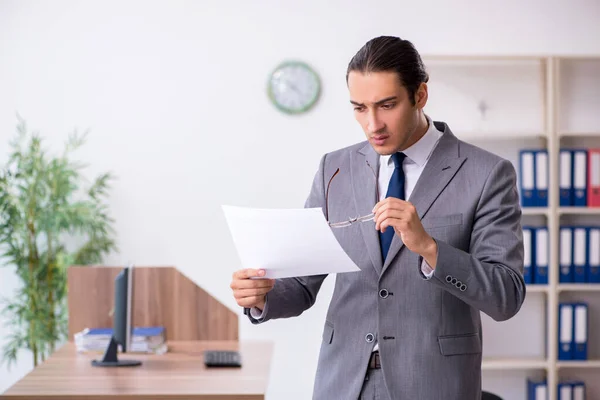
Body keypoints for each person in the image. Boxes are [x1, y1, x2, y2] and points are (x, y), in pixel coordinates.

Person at [230, 36, 525, 400]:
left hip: (433, 383)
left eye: (387, 105)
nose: (373, 124)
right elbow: (303, 285)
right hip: (344, 382)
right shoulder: (334, 169)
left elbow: (506, 297)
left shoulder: (486, 173)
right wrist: (261, 296)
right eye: (359, 107)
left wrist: (430, 248)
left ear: (420, 95)